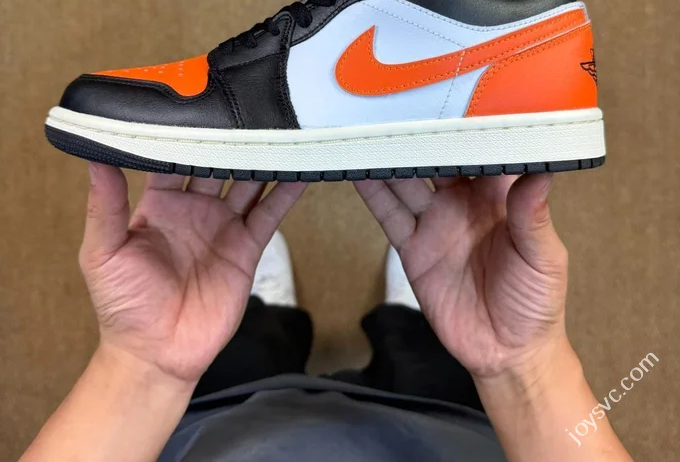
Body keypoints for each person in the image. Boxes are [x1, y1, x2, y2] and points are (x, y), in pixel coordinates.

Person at [20, 165, 633, 462]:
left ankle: (259, 314)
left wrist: (141, 367)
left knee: (238, 351)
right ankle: (420, 321)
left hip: (211, 428)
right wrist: (523, 366)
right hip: (456, 431)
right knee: (432, 355)